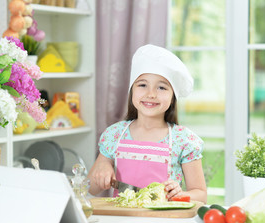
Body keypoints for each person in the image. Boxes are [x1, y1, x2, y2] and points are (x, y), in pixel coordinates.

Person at [88, 44, 207, 203]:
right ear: (132, 90)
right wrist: (102, 170)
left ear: (173, 97)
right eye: (142, 85)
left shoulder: (184, 140)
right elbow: (90, 189)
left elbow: (201, 195)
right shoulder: (114, 135)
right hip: (122, 221)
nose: (151, 94)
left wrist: (179, 195)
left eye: (161, 87)